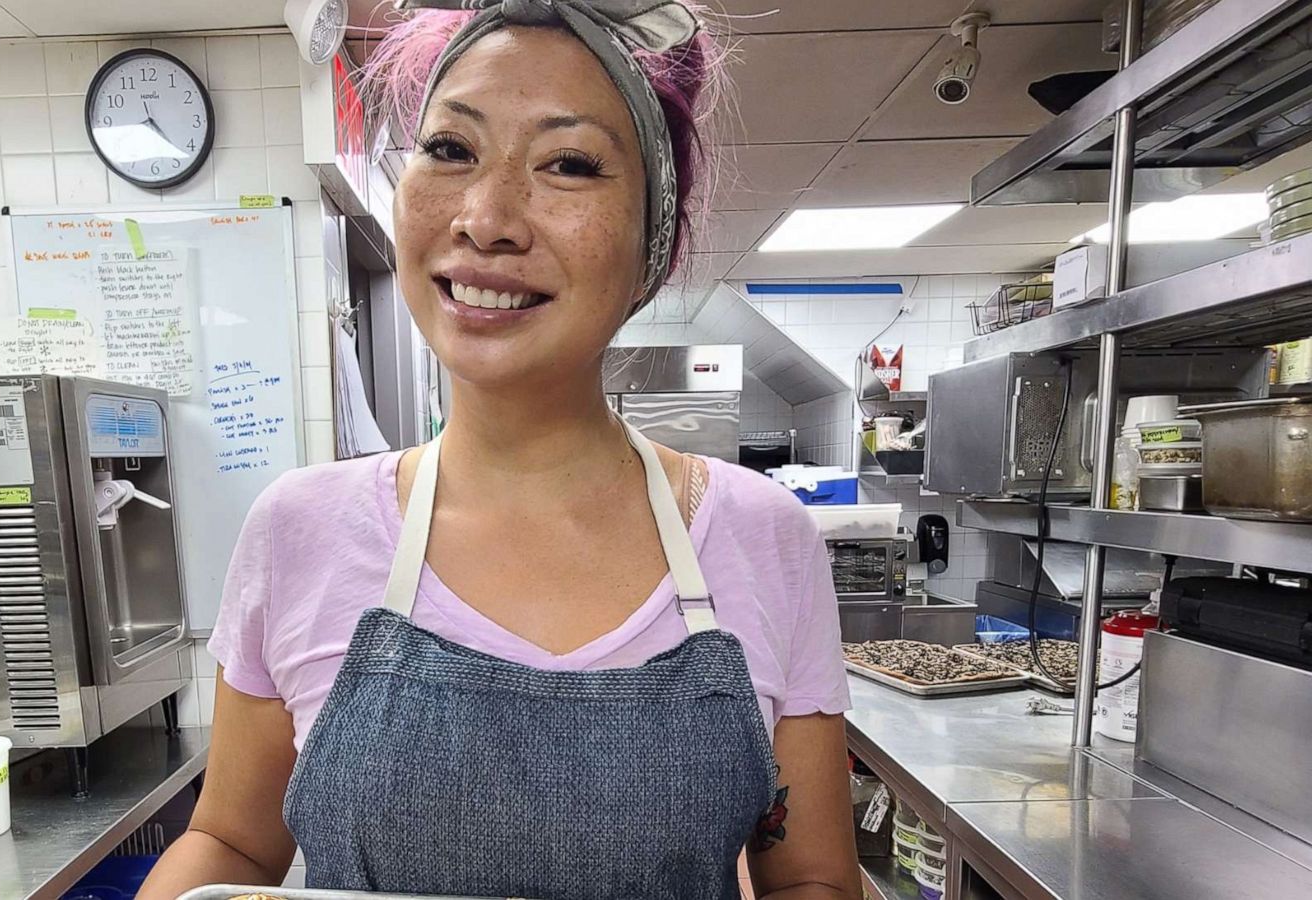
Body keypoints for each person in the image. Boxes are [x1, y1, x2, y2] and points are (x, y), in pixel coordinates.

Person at [139, 1, 857, 897]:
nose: (487, 219)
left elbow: (809, 880)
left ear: (653, 241)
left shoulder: (762, 537)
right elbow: (236, 849)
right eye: (450, 150)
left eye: (569, 163)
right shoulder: (300, 528)